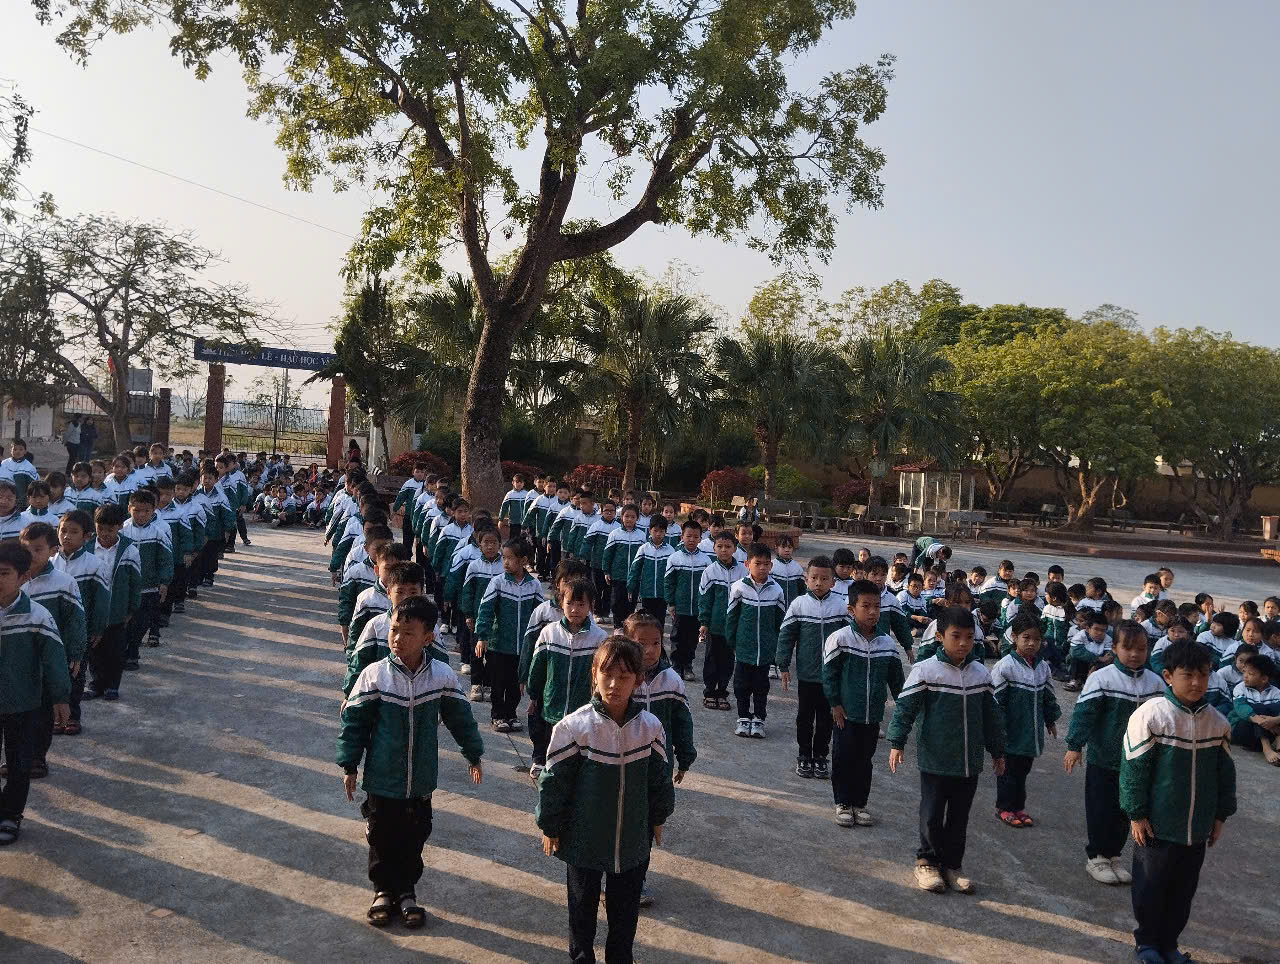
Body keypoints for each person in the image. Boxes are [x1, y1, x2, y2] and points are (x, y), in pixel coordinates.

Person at [337, 596, 483, 928]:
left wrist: (473, 754)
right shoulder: (375, 675)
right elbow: (355, 724)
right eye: (394, 631)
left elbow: (460, 718)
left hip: (420, 779)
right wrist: (349, 765)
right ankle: (382, 891)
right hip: (382, 778)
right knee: (381, 835)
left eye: (408, 633)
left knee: (414, 835)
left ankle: (406, 892)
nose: (398, 639)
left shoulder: (441, 676)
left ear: (428, 638)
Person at [536, 635, 674, 964]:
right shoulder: (574, 727)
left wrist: (658, 817)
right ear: (594, 674)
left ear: (638, 680)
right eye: (607, 675)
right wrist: (550, 825)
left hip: (632, 841)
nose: (614, 684)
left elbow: (659, 779)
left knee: (624, 915)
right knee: (581, 910)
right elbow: (554, 782)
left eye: (624, 676)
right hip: (583, 841)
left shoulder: (650, 727)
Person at [1120, 638, 1235, 964]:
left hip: (1196, 828)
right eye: (1188, 675)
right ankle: (1147, 944)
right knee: (1151, 887)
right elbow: (1133, 770)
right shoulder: (1152, 716)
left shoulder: (1218, 723)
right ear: (1168, 676)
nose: (1197, 682)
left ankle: (1169, 945)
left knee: (1183, 892)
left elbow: (1225, 775)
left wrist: (1220, 816)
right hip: (1156, 827)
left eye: (1203, 674)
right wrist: (1136, 813)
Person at [887, 605, 1006, 894]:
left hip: (968, 761)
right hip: (936, 759)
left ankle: (953, 865)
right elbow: (905, 708)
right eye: (956, 636)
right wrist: (897, 742)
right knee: (932, 813)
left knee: (959, 817)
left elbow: (991, 717)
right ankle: (926, 863)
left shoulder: (981, 673)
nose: (963, 643)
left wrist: (998, 751)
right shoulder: (926, 670)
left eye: (969, 637)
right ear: (940, 636)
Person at [1062, 620, 1163, 886]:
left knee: (1125, 811)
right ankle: (1096, 857)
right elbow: (1084, 713)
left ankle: (1113, 855)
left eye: (1141, 648)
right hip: (1104, 760)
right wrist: (1074, 745)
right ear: (1114, 648)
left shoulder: (1155, 683)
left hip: (1137, 764)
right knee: (1100, 809)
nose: (1134, 654)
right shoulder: (1102, 678)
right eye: (1127, 648)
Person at [0, 540, 71, 846]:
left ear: (23, 577)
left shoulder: (37, 616)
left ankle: (10, 815)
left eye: (4, 573)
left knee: (19, 763)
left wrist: (60, 697)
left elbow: (54, 660)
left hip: (24, 702)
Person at [626, 610, 695, 908]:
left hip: (657, 769)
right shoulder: (620, 678)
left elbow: (683, 722)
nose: (650, 650)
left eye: (655, 643)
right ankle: (610, 876)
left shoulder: (672, 680)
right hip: (621, 764)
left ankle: (637, 880)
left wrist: (685, 757)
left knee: (646, 824)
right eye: (641, 643)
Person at [823, 578, 905, 827]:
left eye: (877, 606)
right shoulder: (840, 639)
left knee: (864, 760)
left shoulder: (886, 643)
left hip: (872, 715)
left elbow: (897, 681)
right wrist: (835, 704)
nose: (872, 612)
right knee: (843, 758)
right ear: (851, 609)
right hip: (846, 714)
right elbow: (829, 675)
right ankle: (843, 803)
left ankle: (860, 803)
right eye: (866, 606)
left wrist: (904, 708)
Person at [18, 522, 87, 777]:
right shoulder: (12, 579)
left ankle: (37, 757)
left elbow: (75, 621)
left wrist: (75, 653)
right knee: (16, 714)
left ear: (52, 551)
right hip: (17, 659)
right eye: (26, 549)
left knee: (41, 712)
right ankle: (16, 759)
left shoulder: (63, 582)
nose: (31, 555)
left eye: (38, 549)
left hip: (48, 659)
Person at [990, 613, 1061, 828]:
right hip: (1010, 733)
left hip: (1031, 733)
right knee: (1008, 772)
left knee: (1022, 771)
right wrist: (998, 731)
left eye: (1037, 639)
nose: (1031, 643)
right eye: (1026, 638)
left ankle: (1018, 807)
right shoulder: (1005, 666)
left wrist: (1050, 720)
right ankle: (1004, 808)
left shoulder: (1042, 667)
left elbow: (1048, 697)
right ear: (1014, 637)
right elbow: (996, 703)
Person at [474, 537, 543, 731]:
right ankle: (498, 715)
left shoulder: (534, 585)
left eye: (510, 558)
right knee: (498, 682)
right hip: (498, 645)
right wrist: (482, 636)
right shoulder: (498, 582)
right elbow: (485, 610)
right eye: (503, 557)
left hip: (522, 647)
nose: (505, 562)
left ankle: (511, 714)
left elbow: (539, 615)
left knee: (516, 684)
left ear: (523, 560)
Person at [53, 510, 111, 732]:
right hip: (52, 631)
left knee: (75, 674)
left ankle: (72, 717)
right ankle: (55, 717)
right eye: (63, 531)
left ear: (87, 536)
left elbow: (101, 601)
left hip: (79, 632)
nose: (66, 536)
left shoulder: (94, 565)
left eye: (74, 532)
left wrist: (97, 628)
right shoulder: (50, 563)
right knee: (52, 675)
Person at [121, 489, 174, 662]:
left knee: (142, 621)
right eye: (136, 510)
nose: (141, 515)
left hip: (149, 586)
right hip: (126, 587)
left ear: (153, 510)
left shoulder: (158, 533)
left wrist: (164, 582)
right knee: (125, 621)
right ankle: (125, 650)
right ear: (129, 508)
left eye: (146, 511)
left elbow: (166, 559)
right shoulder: (122, 532)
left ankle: (133, 650)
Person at [697, 531, 746, 712]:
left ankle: (722, 692)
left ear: (735, 548)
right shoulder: (710, 571)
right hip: (715, 625)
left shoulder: (743, 571)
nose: (724, 550)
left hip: (734, 626)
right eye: (720, 546)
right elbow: (704, 599)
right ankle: (709, 692)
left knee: (728, 660)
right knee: (711, 658)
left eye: (728, 546)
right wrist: (704, 622)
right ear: (714, 548)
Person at [663, 519, 709, 682]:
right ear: (682, 537)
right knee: (677, 637)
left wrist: (705, 607)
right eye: (688, 536)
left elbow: (707, 587)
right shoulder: (674, 558)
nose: (691, 540)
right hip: (680, 607)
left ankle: (688, 666)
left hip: (697, 608)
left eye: (695, 537)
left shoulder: (705, 560)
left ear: (700, 538)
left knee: (691, 638)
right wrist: (671, 602)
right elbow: (669, 582)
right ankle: (676, 666)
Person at [1226, 654, 1280, 762]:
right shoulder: (1240, 688)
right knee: (1259, 708)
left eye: (1250, 674)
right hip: (1241, 731)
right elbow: (1240, 707)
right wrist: (1261, 721)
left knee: (1273, 709)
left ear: (1264, 679)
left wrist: (1274, 720)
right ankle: (1267, 749)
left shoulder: (1276, 692)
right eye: (1244, 672)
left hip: (1261, 735)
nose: (1245, 676)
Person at [1, 439, 38, 511]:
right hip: (3, 502)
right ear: (10, 450)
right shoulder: (3, 464)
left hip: (21, 505)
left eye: (21, 449)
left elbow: (33, 487)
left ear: (25, 451)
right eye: (15, 449)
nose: (18, 451)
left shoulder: (29, 467)